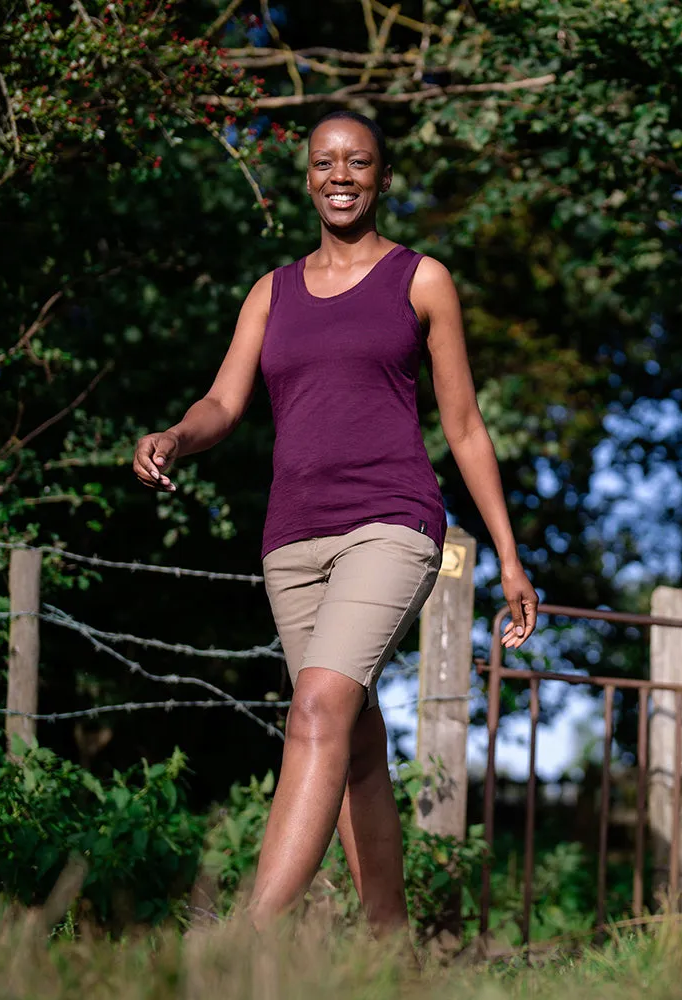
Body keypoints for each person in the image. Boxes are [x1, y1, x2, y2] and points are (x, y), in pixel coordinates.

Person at [133, 110, 539, 940]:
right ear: (309, 178)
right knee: (349, 743)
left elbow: (463, 426)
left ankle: (240, 947)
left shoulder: (420, 280)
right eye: (326, 162)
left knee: (317, 708)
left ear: (383, 178)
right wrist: (177, 435)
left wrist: (510, 557)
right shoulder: (270, 291)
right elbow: (224, 402)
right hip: (292, 541)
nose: (341, 174)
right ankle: (393, 953)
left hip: (391, 522)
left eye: (359, 161)